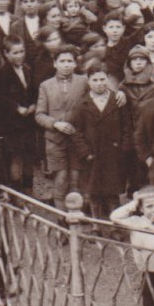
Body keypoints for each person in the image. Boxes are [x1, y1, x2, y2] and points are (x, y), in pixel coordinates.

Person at [70, 61, 133, 219]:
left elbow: (127, 126)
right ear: (88, 81)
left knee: (113, 192)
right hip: (93, 155)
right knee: (94, 192)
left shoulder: (117, 100)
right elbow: (76, 132)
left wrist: (124, 149)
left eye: (102, 79)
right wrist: (85, 153)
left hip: (113, 154)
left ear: (108, 79)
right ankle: (96, 224)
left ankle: (114, 223)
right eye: (95, 80)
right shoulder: (82, 104)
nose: (99, 84)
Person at [35, 45, 88, 205]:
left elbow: (100, 94)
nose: (66, 65)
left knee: (76, 180)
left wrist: (119, 93)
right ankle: (60, 215)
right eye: (62, 61)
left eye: (69, 61)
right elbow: (39, 115)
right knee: (61, 180)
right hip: (55, 140)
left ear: (75, 64)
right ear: (55, 63)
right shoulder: (46, 85)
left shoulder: (84, 81)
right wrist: (55, 124)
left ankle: (76, 214)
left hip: (77, 139)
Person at [0, 36, 37, 192]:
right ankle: (16, 190)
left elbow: (32, 91)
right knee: (16, 156)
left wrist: (33, 104)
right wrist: (16, 107)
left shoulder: (27, 69)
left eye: (22, 51)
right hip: (12, 124)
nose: (20, 56)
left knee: (29, 155)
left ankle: (28, 187)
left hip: (28, 122)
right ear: (6, 53)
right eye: (15, 53)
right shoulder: (1, 73)